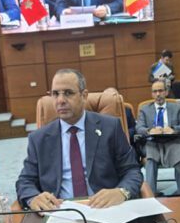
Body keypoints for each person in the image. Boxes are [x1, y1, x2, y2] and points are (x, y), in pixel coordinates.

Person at [16, 69, 142, 210]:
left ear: (84, 95)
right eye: (55, 94)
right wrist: (33, 197)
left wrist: (121, 192)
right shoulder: (38, 138)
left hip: (105, 208)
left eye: (68, 93)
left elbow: (132, 170)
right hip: (59, 211)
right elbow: (25, 181)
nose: (60, 100)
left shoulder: (110, 127)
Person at [136, 80, 180, 196]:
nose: (158, 94)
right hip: (153, 142)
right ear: (152, 94)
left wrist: (173, 129)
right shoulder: (145, 109)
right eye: (155, 92)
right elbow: (139, 127)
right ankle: (151, 194)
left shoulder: (177, 107)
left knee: (178, 154)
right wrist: (149, 130)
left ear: (166, 92)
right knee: (151, 157)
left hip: (172, 141)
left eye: (160, 91)